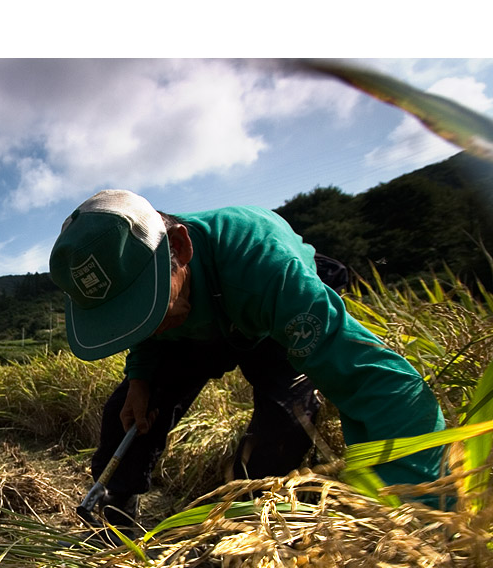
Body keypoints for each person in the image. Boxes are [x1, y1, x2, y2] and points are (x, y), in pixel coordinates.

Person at [48, 189, 445, 537]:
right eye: (129, 319)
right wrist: (139, 378)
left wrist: (416, 513)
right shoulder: (163, 303)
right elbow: (148, 333)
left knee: (282, 429)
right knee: (125, 412)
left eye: (148, 310)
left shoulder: (268, 269)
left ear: (181, 249)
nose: (146, 329)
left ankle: (245, 523)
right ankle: (117, 514)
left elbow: (379, 385)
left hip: (268, 326)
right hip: (194, 327)